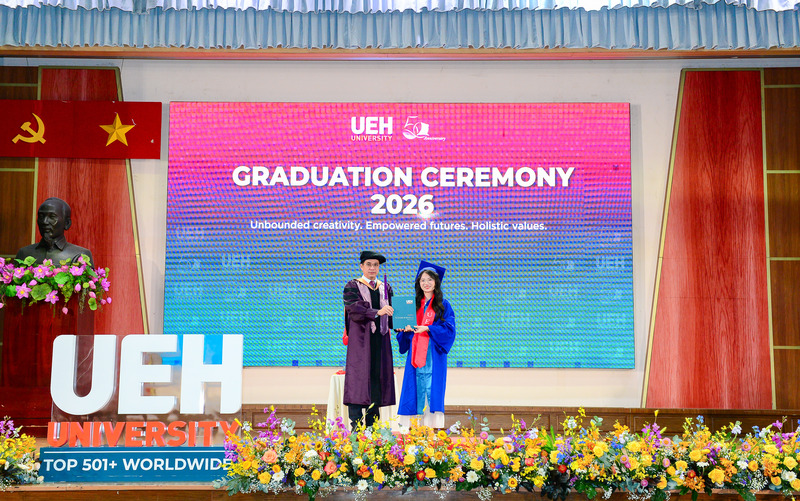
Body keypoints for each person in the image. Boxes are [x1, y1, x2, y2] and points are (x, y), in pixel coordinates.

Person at [396, 262, 455, 429]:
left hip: (433, 354)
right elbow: (405, 331)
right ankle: (414, 429)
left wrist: (428, 328)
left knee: (432, 389)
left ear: (436, 282)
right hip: (415, 355)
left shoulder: (443, 305)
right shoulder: (412, 305)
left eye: (430, 279)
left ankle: (431, 429)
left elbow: (449, 330)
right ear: (418, 283)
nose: (426, 283)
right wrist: (403, 330)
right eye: (422, 280)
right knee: (413, 389)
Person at [342, 250, 395, 430]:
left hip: (380, 342)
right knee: (358, 381)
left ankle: (373, 428)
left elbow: (392, 312)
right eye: (369, 264)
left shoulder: (385, 287)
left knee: (376, 381)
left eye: (376, 265)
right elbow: (354, 310)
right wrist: (377, 312)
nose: (372, 268)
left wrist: (402, 324)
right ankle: (356, 429)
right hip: (360, 342)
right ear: (361, 266)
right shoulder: (352, 286)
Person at [15, 197, 94, 266]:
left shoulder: (80, 256)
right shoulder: (24, 253)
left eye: (52, 217)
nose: (45, 222)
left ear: (67, 223)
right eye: (41, 216)